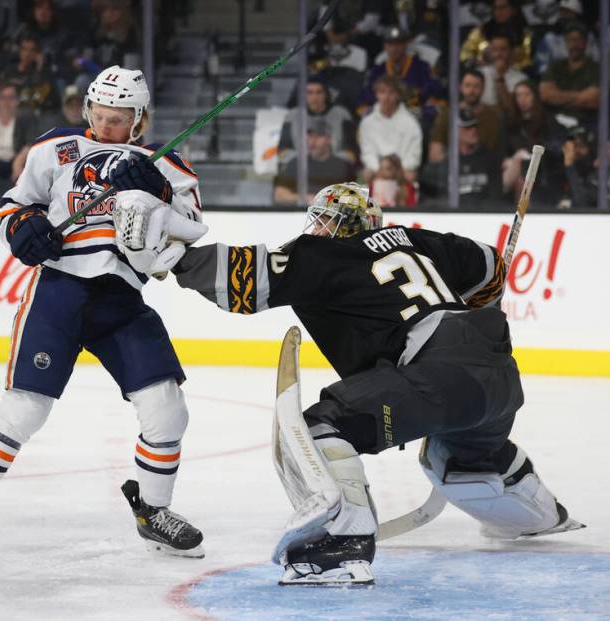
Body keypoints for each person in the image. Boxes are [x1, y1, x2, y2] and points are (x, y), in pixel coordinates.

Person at [113, 180, 582, 584]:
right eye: (318, 220)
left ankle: (343, 540)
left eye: (328, 221)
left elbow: (240, 281)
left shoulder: (320, 255)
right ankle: (540, 515)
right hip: (499, 374)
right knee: (463, 459)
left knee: (321, 425)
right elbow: (491, 266)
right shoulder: (422, 240)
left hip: (435, 374)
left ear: (349, 226)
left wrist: (168, 256)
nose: (318, 229)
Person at [0, 65, 205, 566]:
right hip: (59, 289)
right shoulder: (56, 148)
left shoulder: (166, 165)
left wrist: (155, 191)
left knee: (168, 407)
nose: (106, 128)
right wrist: (25, 229)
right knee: (25, 408)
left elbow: (193, 229)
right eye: (99, 117)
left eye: (118, 121)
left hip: (121, 299)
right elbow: (13, 208)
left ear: (139, 120)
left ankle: (153, 511)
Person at [357, 75, 422, 182]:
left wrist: (397, 170)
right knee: (365, 174)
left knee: (410, 175)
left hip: (401, 171)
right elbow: (367, 152)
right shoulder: (367, 123)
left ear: (398, 95)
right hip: (376, 171)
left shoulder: (411, 123)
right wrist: (379, 170)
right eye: (382, 92)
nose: (386, 97)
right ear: (377, 94)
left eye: (391, 92)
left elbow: (413, 155)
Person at [274, 118, 354, 205]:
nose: (313, 141)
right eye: (310, 136)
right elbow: (279, 195)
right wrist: (303, 198)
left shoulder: (342, 166)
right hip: (302, 214)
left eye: (319, 136)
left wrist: (330, 201)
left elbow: (355, 198)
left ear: (329, 139)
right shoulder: (296, 164)